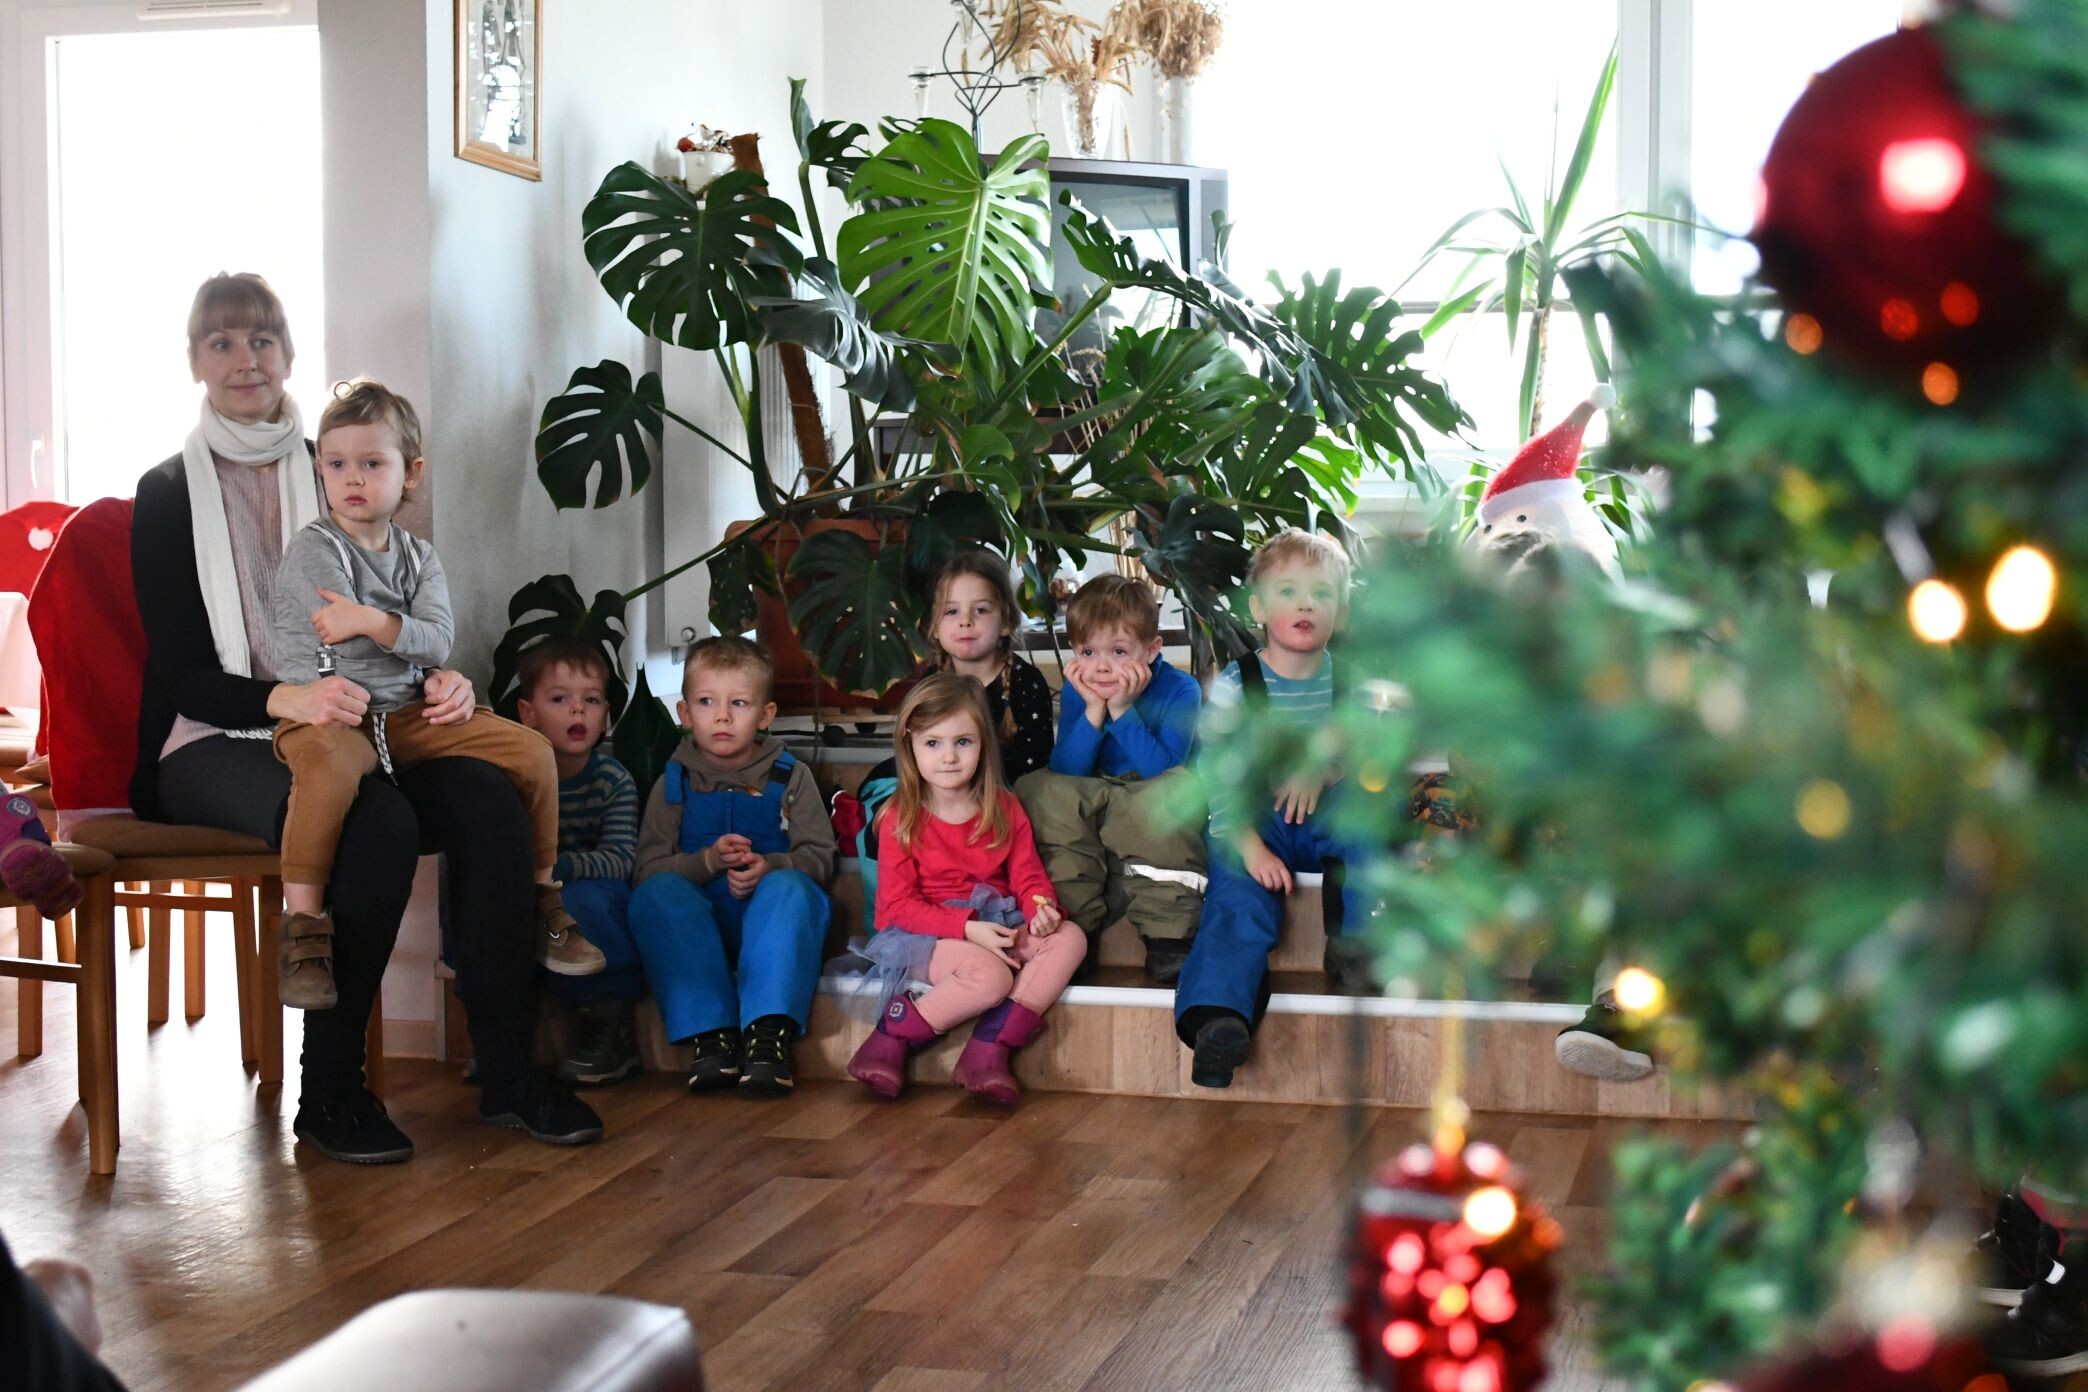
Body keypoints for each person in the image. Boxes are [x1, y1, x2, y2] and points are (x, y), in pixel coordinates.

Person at [132, 272, 601, 1163]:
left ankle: (509, 1072)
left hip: (366, 718)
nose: (245, 359)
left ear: (289, 354)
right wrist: (289, 698)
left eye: (262, 339)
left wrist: (443, 682)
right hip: (216, 735)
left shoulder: (344, 462)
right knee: (376, 819)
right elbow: (184, 675)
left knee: (488, 795)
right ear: (194, 360)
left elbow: (403, 618)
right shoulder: (166, 493)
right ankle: (330, 1092)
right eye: (222, 342)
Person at [269, 379, 602, 1011]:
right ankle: (305, 931)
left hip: (405, 712)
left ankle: (542, 901)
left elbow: (437, 640)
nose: (353, 478)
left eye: (373, 463)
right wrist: (403, 640)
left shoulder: (419, 558)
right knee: (329, 774)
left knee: (532, 752)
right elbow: (356, 650)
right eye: (336, 464)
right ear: (321, 472)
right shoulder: (317, 548)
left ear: (411, 473)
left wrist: (374, 623)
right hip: (329, 714)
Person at [1173, 528, 1378, 1088]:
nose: (1305, 604)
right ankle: (1218, 1017)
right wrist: (1249, 847)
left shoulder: (1352, 682)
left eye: (1321, 593)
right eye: (1288, 591)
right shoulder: (1237, 684)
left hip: (1327, 815)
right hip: (1254, 820)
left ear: (1341, 611)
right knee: (1238, 894)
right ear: (1258, 609)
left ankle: (1355, 941)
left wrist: (1324, 767)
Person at [847, 673, 1086, 1105]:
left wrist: (1041, 909)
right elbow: (898, 905)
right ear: (909, 746)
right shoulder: (900, 816)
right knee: (991, 976)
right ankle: (891, 1036)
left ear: (984, 744)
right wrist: (967, 928)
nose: (949, 757)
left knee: (1070, 938)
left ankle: (990, 1046)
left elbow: (1028, 875)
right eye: (932, 743)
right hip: (924, 935)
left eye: (963, 741)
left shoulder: (1004, 806)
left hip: (996, 922)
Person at [627, 637, 835, 1096]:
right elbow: (647, 869)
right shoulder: (672, 783)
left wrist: (773, 866)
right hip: (697, 931)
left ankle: (767, 1037)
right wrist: (705, 862)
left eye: (738, 703)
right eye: (706, 702)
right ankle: (712, 1036)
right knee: (654, 895)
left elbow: (820, 857)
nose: (722, 716)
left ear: (765, 715)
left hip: (772, 929)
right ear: (684, 713)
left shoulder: (791, 777)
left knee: (794, 889)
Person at [1015, 573, 1205, 983]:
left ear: (1152, 650)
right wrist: (1094, 709)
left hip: (1147, 790)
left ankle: (1168, 936)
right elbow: (1067, 770)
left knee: (1176, 790)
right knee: (1039, 788)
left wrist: (1121, 708)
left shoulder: (1181, 690)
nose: (1101, 666)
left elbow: (1163, 771)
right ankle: (1072, 932)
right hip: (1094, 788)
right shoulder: (1081, 687)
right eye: (1088, 651)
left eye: (1119, 651)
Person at [513, 638, 644, 1086]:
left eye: (591, 700)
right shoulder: (515, 778)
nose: (577, 711)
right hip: (532, 891)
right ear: (528, 713)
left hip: (589, 897)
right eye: (559, 699)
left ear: (606, 714)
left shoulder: (613, 780)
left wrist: (559, 871)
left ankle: (608, 1025)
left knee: (582, 903)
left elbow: (621, 859)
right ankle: (498, 1032)